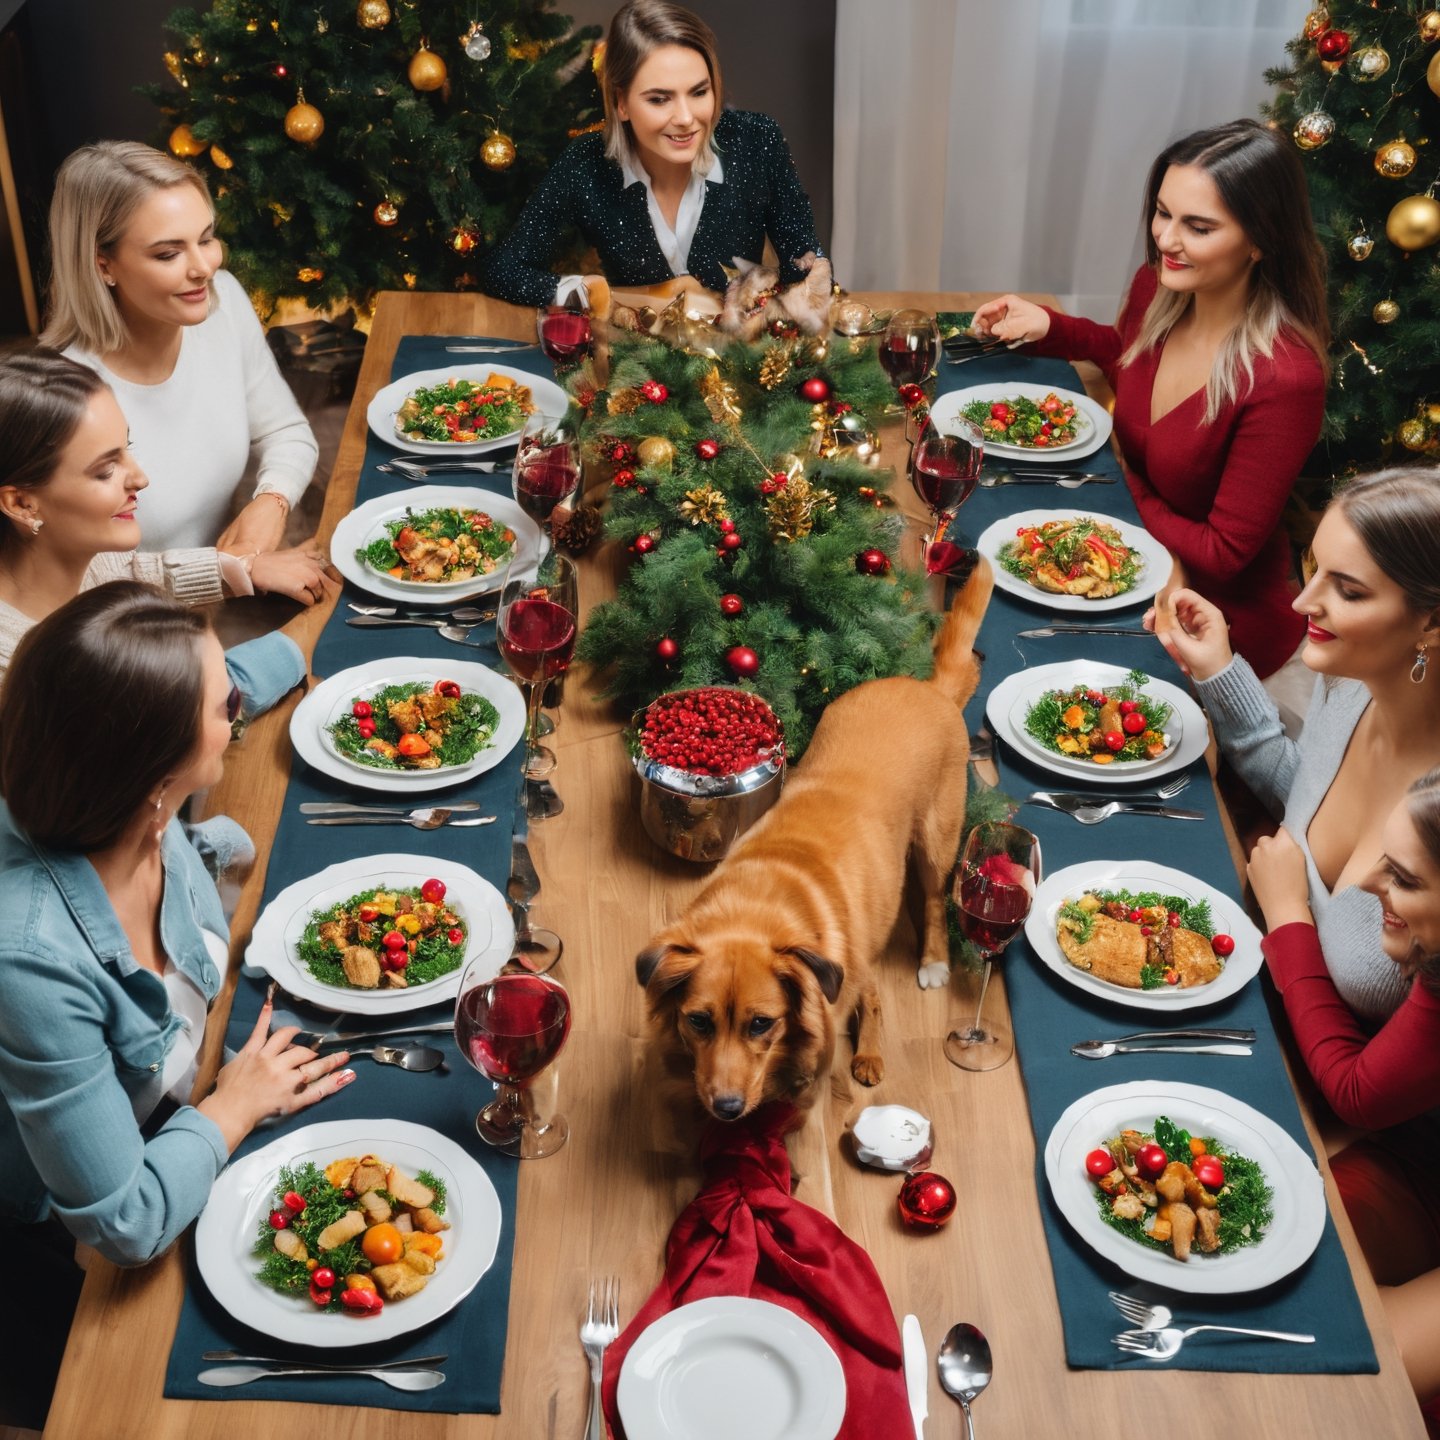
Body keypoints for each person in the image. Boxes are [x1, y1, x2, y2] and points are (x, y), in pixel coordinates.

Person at [0, 583, 353, 1430]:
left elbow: (232, 673)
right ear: (157, 772)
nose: (237, 702)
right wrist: (231, 1108)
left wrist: (308, 636)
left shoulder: (111, 781)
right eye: (223, 704)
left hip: (171, 1118)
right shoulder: (32, 960)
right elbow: (124, 1221)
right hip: (55, 1244)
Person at [973, 119, 1329, 730]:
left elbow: (1224, 553)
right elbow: (1127, 357)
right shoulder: (1159, 288)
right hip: (1132, 548)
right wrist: (1053, 326)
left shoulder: (1285, 377)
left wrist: (1115, 476)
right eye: (1163, 213)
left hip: (1213, 615)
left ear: (1259, 240)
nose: (1166, 238)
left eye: (1199, 226)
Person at [1159, 468, 1440, 1024]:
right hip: (1239, 973)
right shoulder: (1350, 685)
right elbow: (1306, 795)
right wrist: (1219, 668)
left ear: (1430, 621)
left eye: (1349, 591)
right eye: (1314, 570)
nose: (1302, 602)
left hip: (1313, 1078)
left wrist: (1289, 914)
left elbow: (1376, 1078)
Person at [1247, 769, 1440, 1429]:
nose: (1366, 884)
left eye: (1405, 878)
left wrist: (1289, 916)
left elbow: (1356, 1090)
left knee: (1323, 1362)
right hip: (1418, 1170)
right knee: (1264, 1257)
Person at [41, 141, 318, 554]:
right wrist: (222, 575)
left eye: (206, 239)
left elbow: (286, 431)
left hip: (235, 587)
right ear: (103, 265)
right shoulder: (60, 396)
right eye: (169, 253)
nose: (204, 268)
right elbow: (81, 581)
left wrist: (271, 501)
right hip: (139, 615)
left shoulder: (222, 301)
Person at [0, 346, 332, 674]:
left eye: (127, 448)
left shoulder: (86, 557)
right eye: (104, 471)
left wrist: (242, 568)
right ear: (21, 504)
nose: (141, 479)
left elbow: (137, 573)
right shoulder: (18, 667)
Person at [482, 0, 826, 307]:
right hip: (636, 368)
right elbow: (503, 268)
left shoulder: (756, 139)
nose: (686, 118)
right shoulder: (585, 163)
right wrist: (580, 293)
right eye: (659, 99)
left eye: (699, 92)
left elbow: (807, 261)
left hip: (745, 363)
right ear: (621, 103)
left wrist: (804, 288)